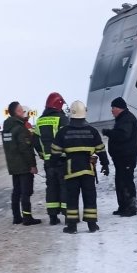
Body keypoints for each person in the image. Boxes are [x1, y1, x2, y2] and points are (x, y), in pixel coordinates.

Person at [50, 100, 108, 234]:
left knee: (72, 198)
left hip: (71, 171)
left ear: (71, 114)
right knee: (90, 196)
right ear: (84, 113)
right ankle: (92, 225)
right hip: (88, 169)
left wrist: (53, 165)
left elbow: (55, 151)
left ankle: (72, 226)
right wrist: (105, 164)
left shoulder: (63, 132)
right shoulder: (92, 131)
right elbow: (101, 149)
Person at [1, 101, 41, 225]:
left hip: (13, 165)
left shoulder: (7, 128)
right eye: (21, 110)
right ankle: (27, 218)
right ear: (17, 112)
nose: (23, 112)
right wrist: (32, 165)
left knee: (16, 191)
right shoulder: (20, 128)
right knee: (26, 192)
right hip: (24, 166)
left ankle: (16, 217)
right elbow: (25, 149)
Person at [102, 96, 137, 216]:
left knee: (126, 181)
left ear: (119, 108)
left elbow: (123, 135)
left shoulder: (127, 119)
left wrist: (109, 133)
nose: (112, 110)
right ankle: (123, 207)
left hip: (127, 158)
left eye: (113, 108)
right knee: (120, 182)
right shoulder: (122, 119)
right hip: (121, 158)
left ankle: (130, 208)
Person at [33, 92, 68, 225]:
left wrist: (42, 154)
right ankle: (67, 215)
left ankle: (53, 217)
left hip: (48, 161)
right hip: (62, 159)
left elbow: (35, 140)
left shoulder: (40, 120)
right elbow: (67, 137)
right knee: (65, 186)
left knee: (51, 187)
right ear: (58, 105)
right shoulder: (62, 119)